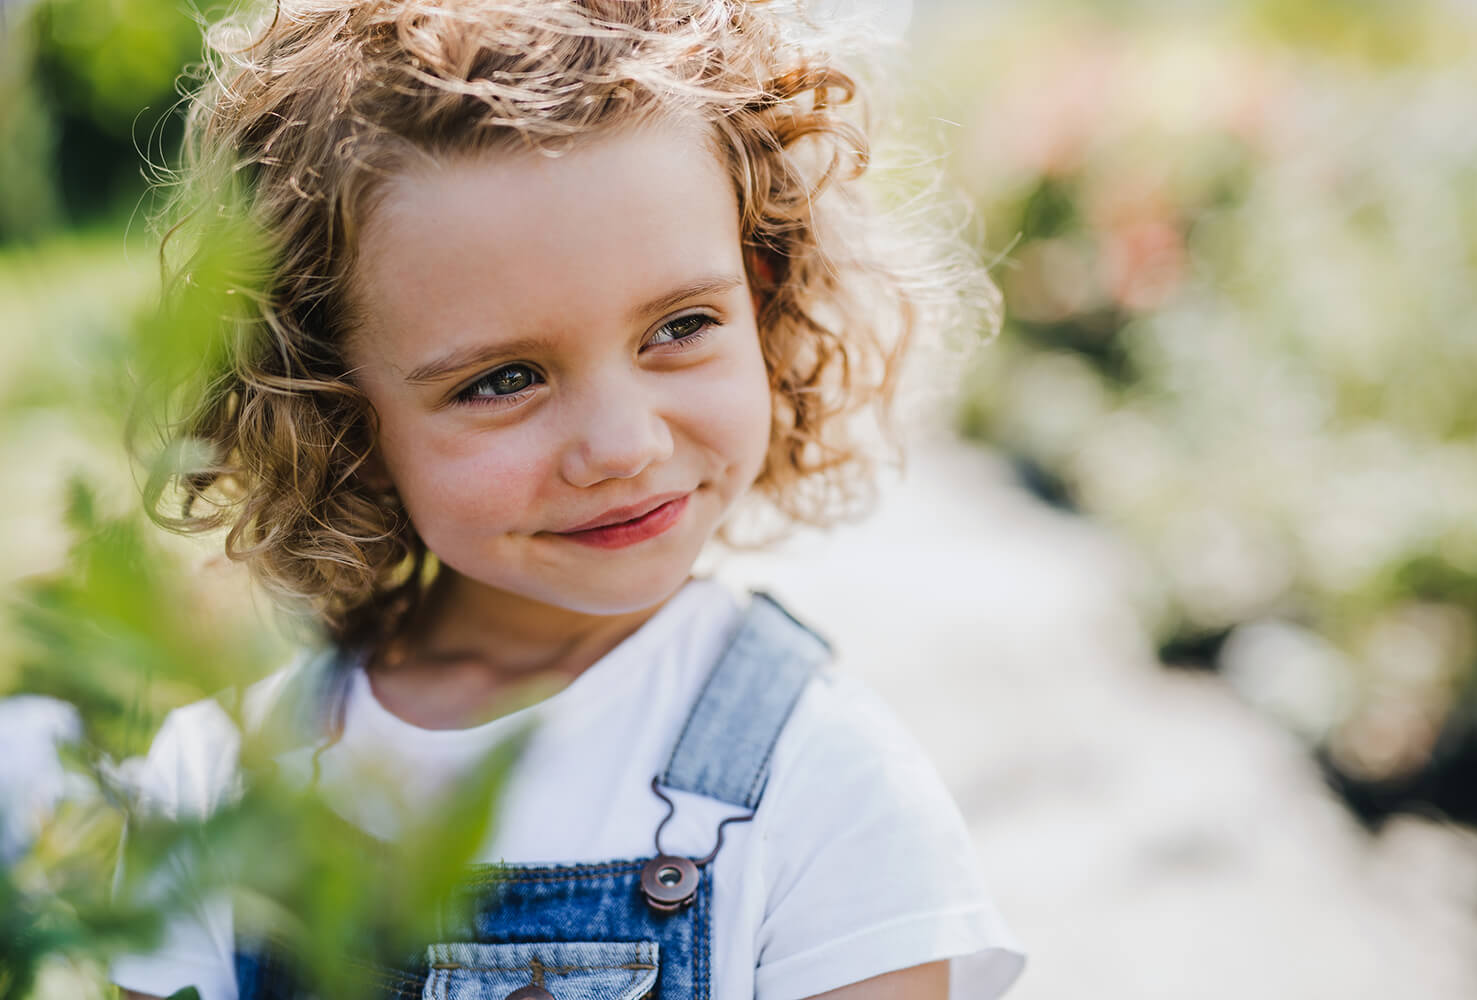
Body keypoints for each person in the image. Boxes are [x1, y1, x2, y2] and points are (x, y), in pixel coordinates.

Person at [113, 1, 1025, 998]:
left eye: (679, 325)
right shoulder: (213, 792)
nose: (623, 445)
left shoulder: (830, 793)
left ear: (761, 296)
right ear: (343, 419)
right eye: (504, 380)